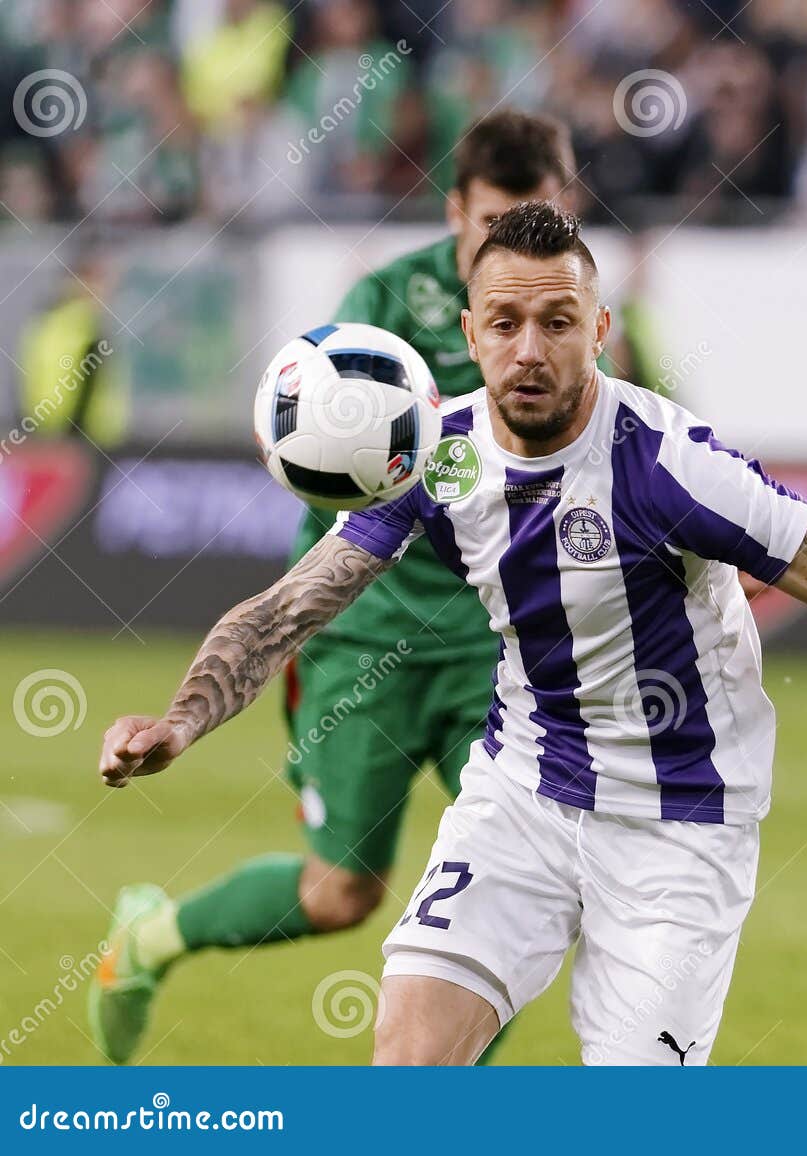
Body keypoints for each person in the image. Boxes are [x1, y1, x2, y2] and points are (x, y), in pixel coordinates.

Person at [95, 200, 807, 1066]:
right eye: (504, 323)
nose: (530, 349)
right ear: (468, 337)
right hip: (520, 795)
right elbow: (292, 604)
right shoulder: (444, 453)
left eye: (558, 321)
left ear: (598, 330)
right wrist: (180, 721)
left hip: (679, 829)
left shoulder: (664, 462)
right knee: (407, 1061)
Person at [88, 111, 578, 1064]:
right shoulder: (389, 303)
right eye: (495, 225)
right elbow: (334, 470)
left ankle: (433, 1086)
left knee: (537, 885)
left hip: (499, 643)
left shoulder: (579, 310)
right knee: (339, 894)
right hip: (369, 637)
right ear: (456, 214)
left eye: (541, 220)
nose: (517, 249)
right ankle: (150, 938)